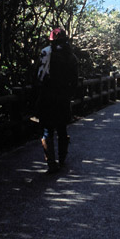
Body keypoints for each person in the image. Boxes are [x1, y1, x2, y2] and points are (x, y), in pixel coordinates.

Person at [36, 28, 79, 173]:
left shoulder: (46, 53)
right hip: (63, 98)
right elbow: (75, 81)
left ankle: (51, 163)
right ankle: (62, 159)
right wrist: (69, 94)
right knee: (62, 129)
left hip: (47, 97)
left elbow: (39, 76)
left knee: (47, 130)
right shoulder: (71, 57)